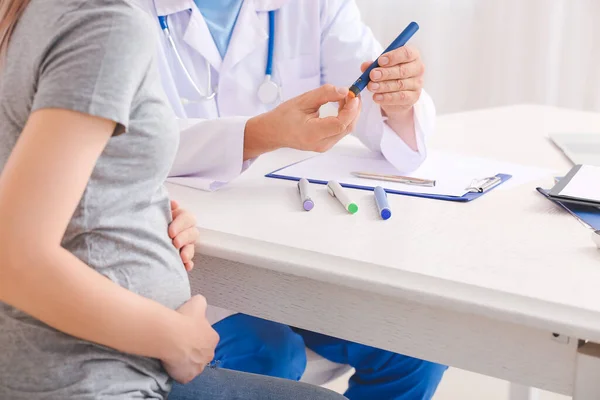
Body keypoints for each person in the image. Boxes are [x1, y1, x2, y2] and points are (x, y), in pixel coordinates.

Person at [0, 1, 349, 399]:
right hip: (95, 372)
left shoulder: (27, 12)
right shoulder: (103, 24)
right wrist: (175, 338)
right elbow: (16, 258)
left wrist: (135, 199)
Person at [137, 0, 448, 399]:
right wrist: (260, 133)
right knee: (270, 356)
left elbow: (369, 93)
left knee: (416, 342)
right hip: (190, 261)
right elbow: (133, 139)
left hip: (295, 246)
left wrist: (399, 102)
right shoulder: (116, 11)